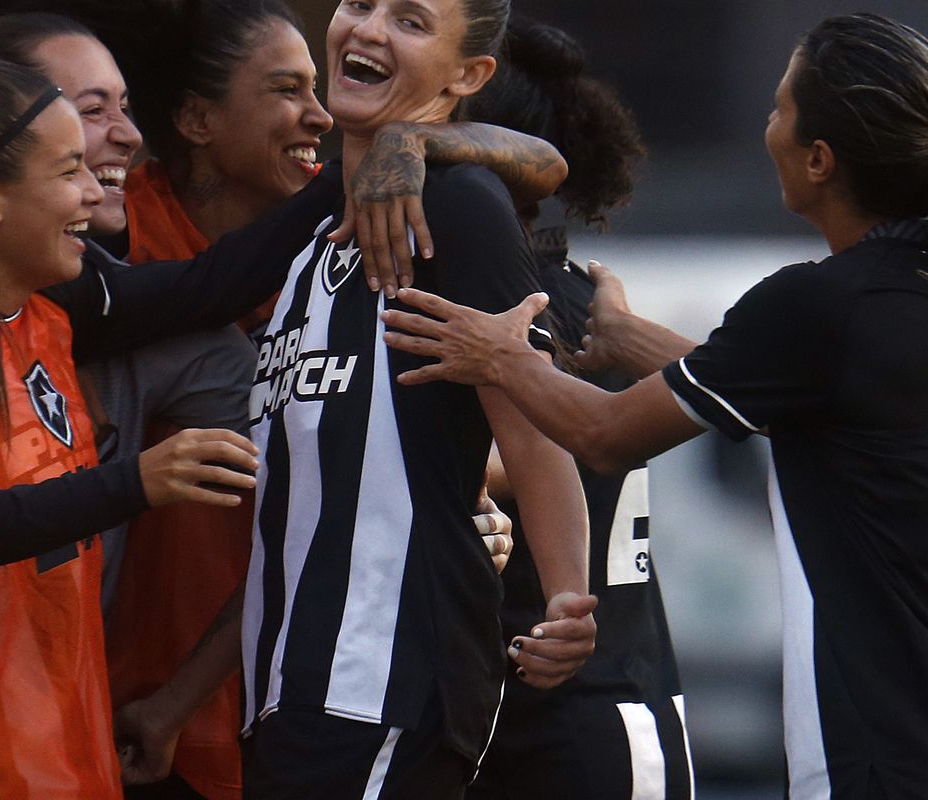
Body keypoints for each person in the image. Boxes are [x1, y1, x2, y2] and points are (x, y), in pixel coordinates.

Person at [381, 13, 928, 799]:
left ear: (821, 160)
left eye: (780, 111)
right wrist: (629, 342)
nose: (769, 130)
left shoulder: (821, 304)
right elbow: (806, 398)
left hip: (898, 760)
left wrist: (500, 357)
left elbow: (602, 434)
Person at [0, 41, 354, 798]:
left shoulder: (48, 324)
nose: (91, 197)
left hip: (66, 747)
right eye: (67, 173)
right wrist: (135, 482)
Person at [237, 0, 599, 796]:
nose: (366, 30)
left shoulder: (461, 206)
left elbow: (534, 427)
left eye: (408, 20)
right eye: (359, 4)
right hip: (288, 692)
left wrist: (568, 594)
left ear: (468, 76)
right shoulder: (307, 240)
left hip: (385, 681)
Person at [458, 17, 696, 800]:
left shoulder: (505, 306)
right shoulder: (584, 301)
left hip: (590, 709)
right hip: (532, 704)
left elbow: (533, 452)